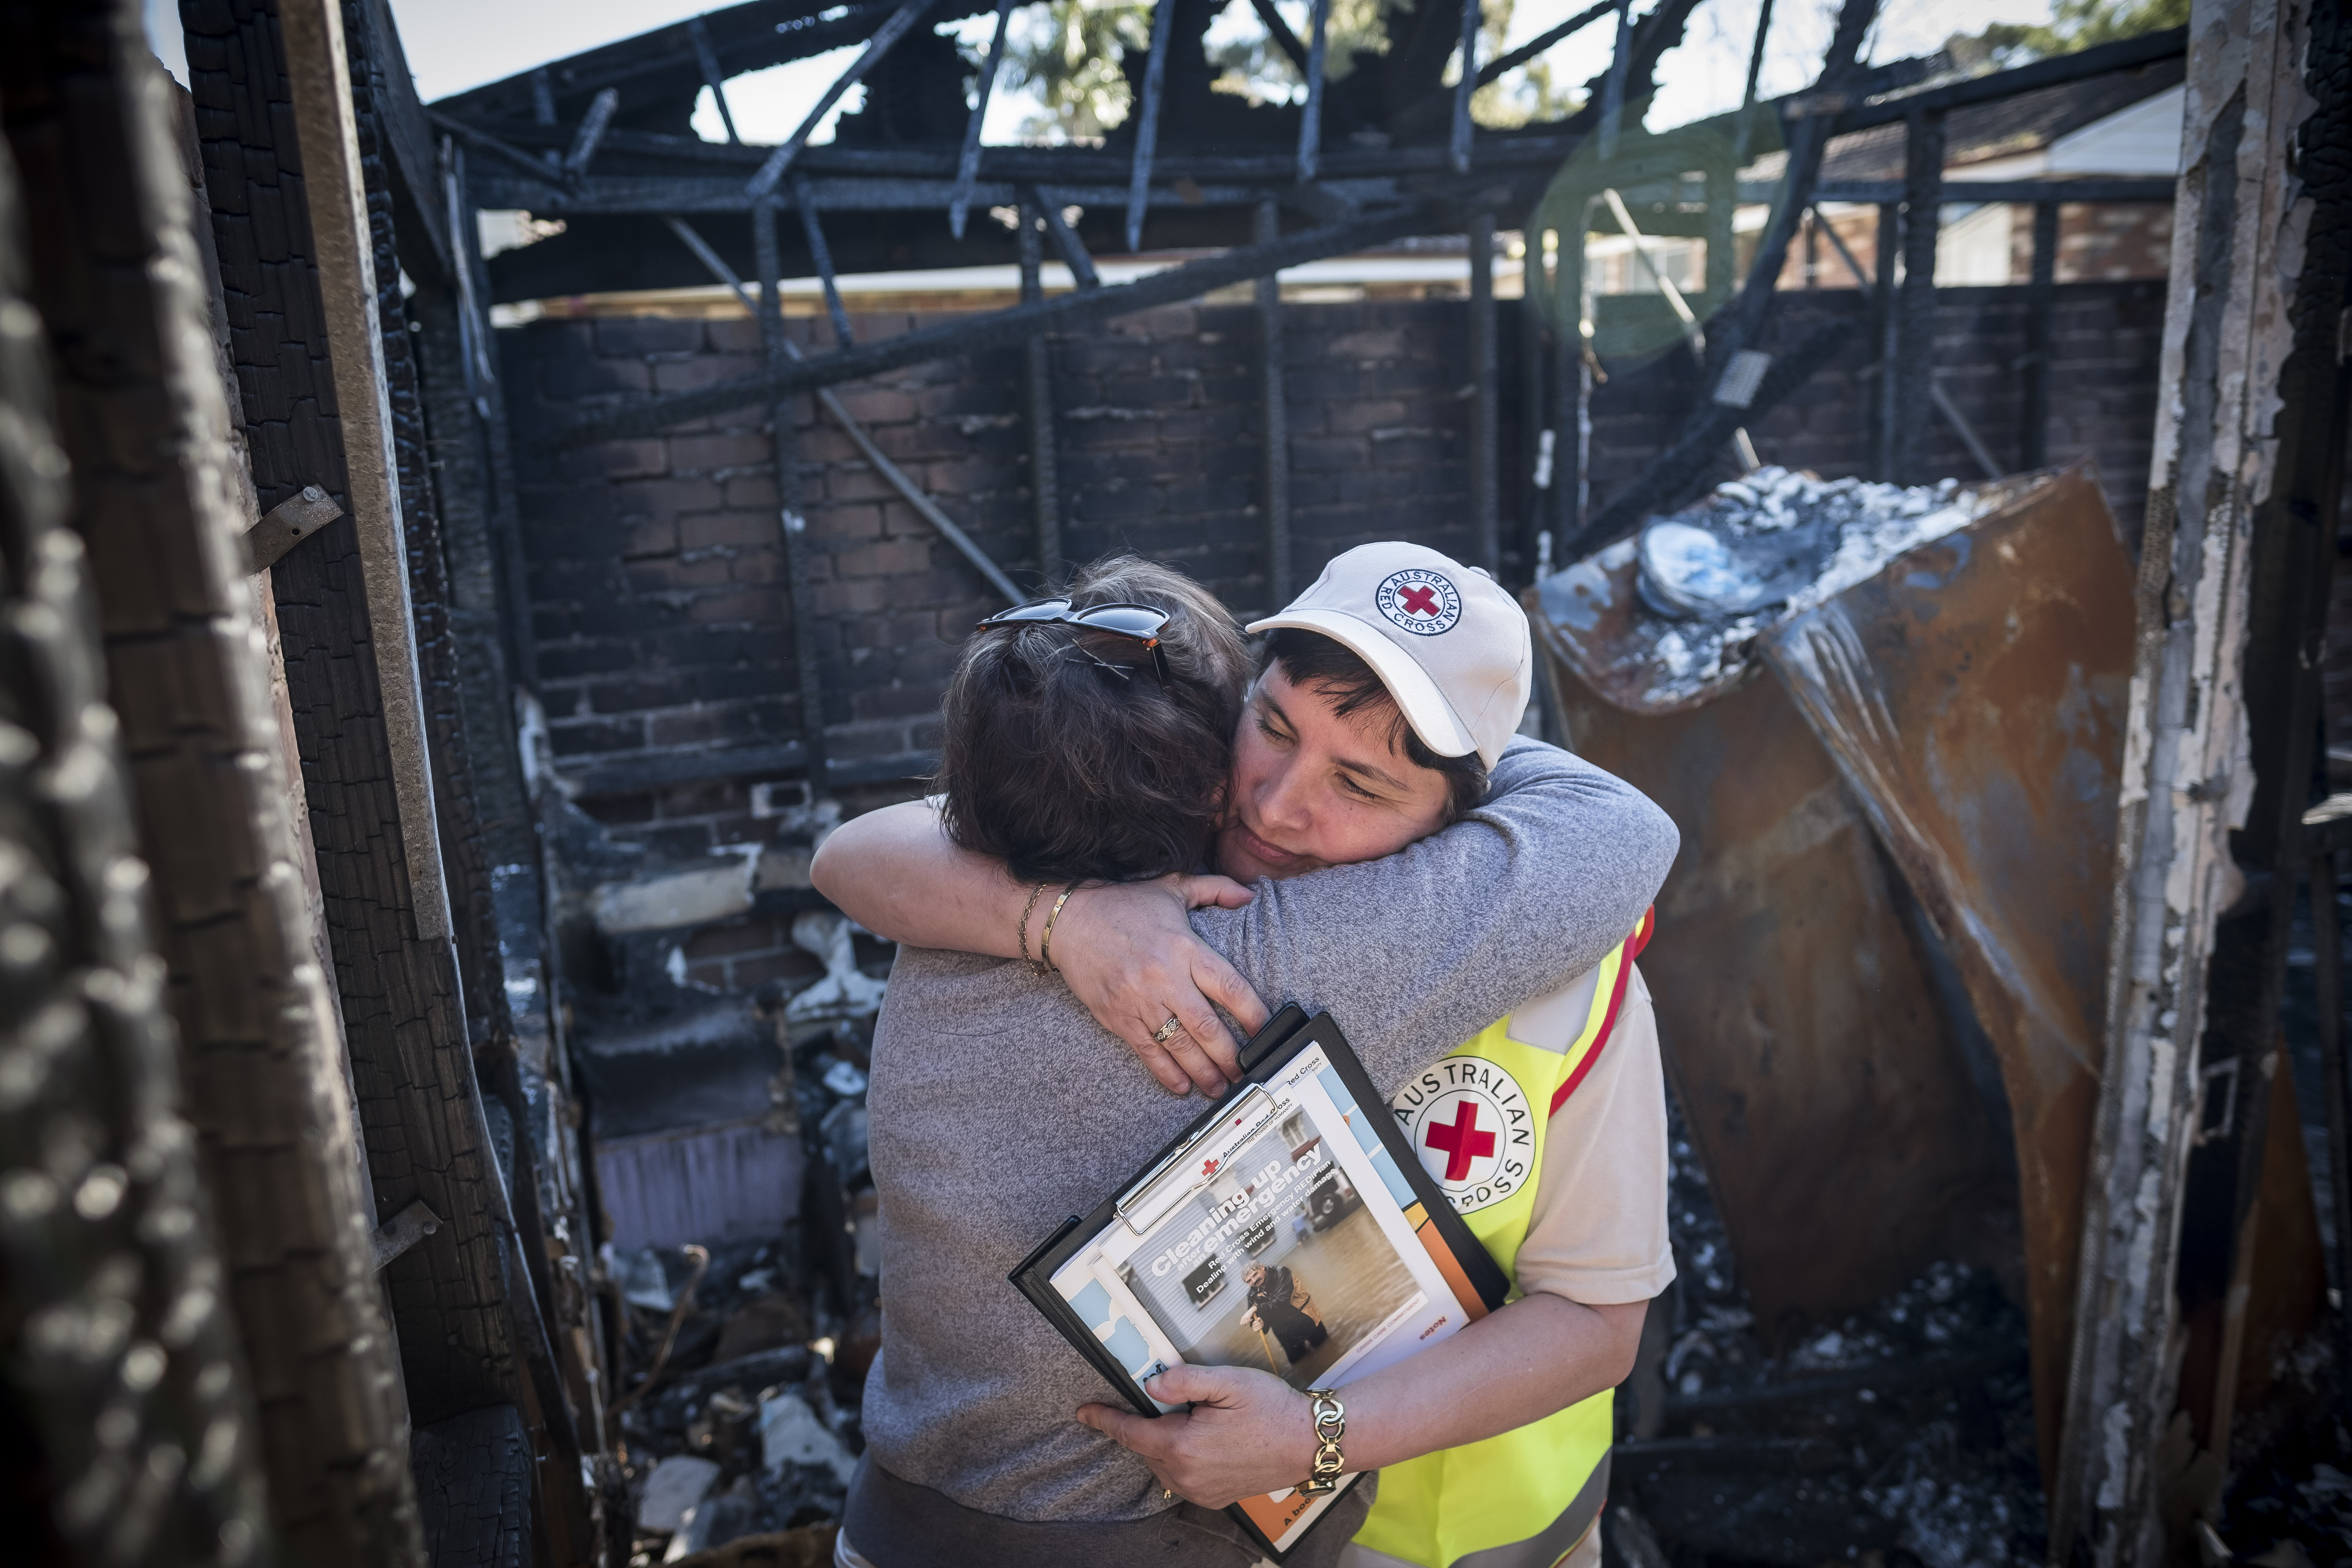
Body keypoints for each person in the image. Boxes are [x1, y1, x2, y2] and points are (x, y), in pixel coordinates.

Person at [811, 547, 1677, 1568]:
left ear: (1465, 820)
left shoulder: (1544, 961)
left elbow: (1598, 1321)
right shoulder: (1129, 862)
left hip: (1484, 1535)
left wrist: (1321, 1437)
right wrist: (1066, 921)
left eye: (1358, 782)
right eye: (1270, 727)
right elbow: (867, 852)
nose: (1273, 807)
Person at [1241, 1263, 1326, 1365]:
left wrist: (1255, 1307)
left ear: (1262, 1267)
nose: (1254, 1281)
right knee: (1300, 1363)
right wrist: (1261, 1324)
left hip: (1305, 1318)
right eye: (1249, 1281)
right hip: (1284, 1332)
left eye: (1255, 1275)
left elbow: (1283, 1302)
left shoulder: (1281, 1272)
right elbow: (1258, 1320)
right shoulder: (1252, 1295)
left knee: (1325, 1347)